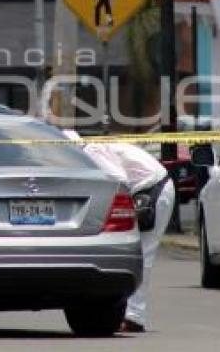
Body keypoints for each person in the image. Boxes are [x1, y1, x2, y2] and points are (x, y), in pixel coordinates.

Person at [64, 131, 174, 333]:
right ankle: (130, 313)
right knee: (139, 253)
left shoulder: (93, 153)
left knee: (142, 254)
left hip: (152, 191)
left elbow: (118, 180)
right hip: (151, 188)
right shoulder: (94, 149)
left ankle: (134, 316)